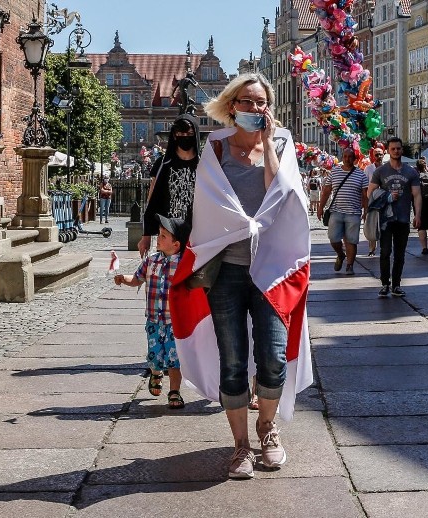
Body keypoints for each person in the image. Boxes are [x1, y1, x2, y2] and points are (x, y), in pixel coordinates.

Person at [178, 73, 311, 479]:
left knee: (272, 357)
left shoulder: (283, 144)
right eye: (247, 101)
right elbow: (210, 204)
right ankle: (240, 447)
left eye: (261, 102)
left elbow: (281, 194)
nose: (255, 109)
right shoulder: (214, 147)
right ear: (231, 105)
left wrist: (267, 143)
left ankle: (267, 430)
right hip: (228, 268)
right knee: (233, 360)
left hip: (271, 269)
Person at [114, 215, 190, 410]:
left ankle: (175, 391)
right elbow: (138, 279)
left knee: (175, 358)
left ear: (176, 244)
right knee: (155, 355)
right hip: (154, 320)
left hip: (174, 321)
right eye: (159, 234)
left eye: (163, 236)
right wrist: (125, 279)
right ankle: (155, 372)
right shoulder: (151, 261)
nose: (158, 237)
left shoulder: (183, 264)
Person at [138, 114, 201, 257]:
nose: (185, 137)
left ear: (195, 134)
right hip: (169, 233)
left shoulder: (204, 164)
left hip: (196, 234)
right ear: (174, 135)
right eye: (180, 133)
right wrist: (146, 235)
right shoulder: (163, 164)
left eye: (189, 133)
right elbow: (153, 200)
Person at [367, 137, 422, 297]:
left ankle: (396, 285)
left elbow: (417, 195)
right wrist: (387, 196)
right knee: (385, 252)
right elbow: (370, 193)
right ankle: (385, 283)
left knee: (400, 254)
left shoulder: (410, 171)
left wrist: (418, 214)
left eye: (398, 148)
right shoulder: (380, 171)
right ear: (388, 151)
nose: (396, 151)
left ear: (402, 150)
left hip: (403, 218)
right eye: (393, 149)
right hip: (385, 220)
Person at [317, 147, 368, 275]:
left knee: (352, 240)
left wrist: (366, 211)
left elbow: (365, 195)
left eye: (350, 157)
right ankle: (340, 254)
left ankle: (350, 266)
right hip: (336, 211)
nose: (347, 159)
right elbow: (326, 191)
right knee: (333, 238)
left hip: (354, 213)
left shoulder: (361, 174)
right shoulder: (334, 172)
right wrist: (320, 207)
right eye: (345, 156)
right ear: (342, 157)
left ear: (355, 159)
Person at [362, 145, 385, 256]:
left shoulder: (387, 167)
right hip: (372, 200)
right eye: (376, 154)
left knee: (385, 223)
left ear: (384, 154)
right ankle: (372, 248)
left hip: (385, 200)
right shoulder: (369, 169)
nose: (379, 156)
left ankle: (385, 247)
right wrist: (365, 204)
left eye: (380, 154)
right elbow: (365, 186)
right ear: (373, 156)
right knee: (372, 224)